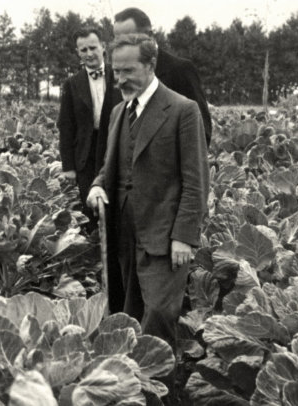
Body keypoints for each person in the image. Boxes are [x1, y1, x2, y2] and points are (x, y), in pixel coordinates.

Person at [86, 33, 209, 354]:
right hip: (123, 232)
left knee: (158, 316)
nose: (120, 79)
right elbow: (110, 167)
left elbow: (196, 181)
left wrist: (184, 235)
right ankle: (134, 388)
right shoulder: (118, 112)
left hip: (165, 237)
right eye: (116, 72)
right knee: (129, 312)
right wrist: (98, 184)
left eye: (128, 71)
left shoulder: (183, 110)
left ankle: (160, 391)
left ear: (151, 65)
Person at [113, 7, 213, 146]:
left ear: (149, 35)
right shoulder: (117, 75)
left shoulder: (180, 70)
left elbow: (201, 131)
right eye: (118, 41)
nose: (122, 47)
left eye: (129, 40)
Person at [58, 27, 122, 230]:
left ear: (103, 47)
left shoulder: (120, 75)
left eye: (92, 48)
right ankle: (94, 250)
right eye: (83, 50)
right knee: (90, 203)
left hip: (116, 145)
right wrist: (68, 167)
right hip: (86, 152)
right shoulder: (72, 83)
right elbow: (66, 127)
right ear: (78, 53)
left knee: (117, 201)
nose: (89, 54)